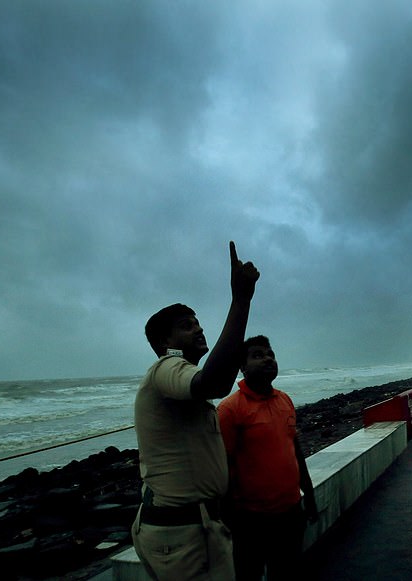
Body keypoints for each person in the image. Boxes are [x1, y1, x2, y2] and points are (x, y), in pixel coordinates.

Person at [131, 241, 259, 581]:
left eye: (197, 322)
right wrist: (241, 301)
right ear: (165, 344)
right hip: (182, 534)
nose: (199, 328)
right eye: (187, 325)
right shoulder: (165, 368)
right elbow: (217, 383)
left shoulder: (183, 383)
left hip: (199, 526)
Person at [217, 335, 319, 581]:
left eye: (270, 354)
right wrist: (229, 520)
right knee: (249, 575)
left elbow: (295, 450)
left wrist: (310, 495)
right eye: (258, 355)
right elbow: (222, 467)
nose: (268, 359)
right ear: (242, 367)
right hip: (251, 520)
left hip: (291, 513)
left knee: (287, 573)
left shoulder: (284, 400)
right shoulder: (230, 409)